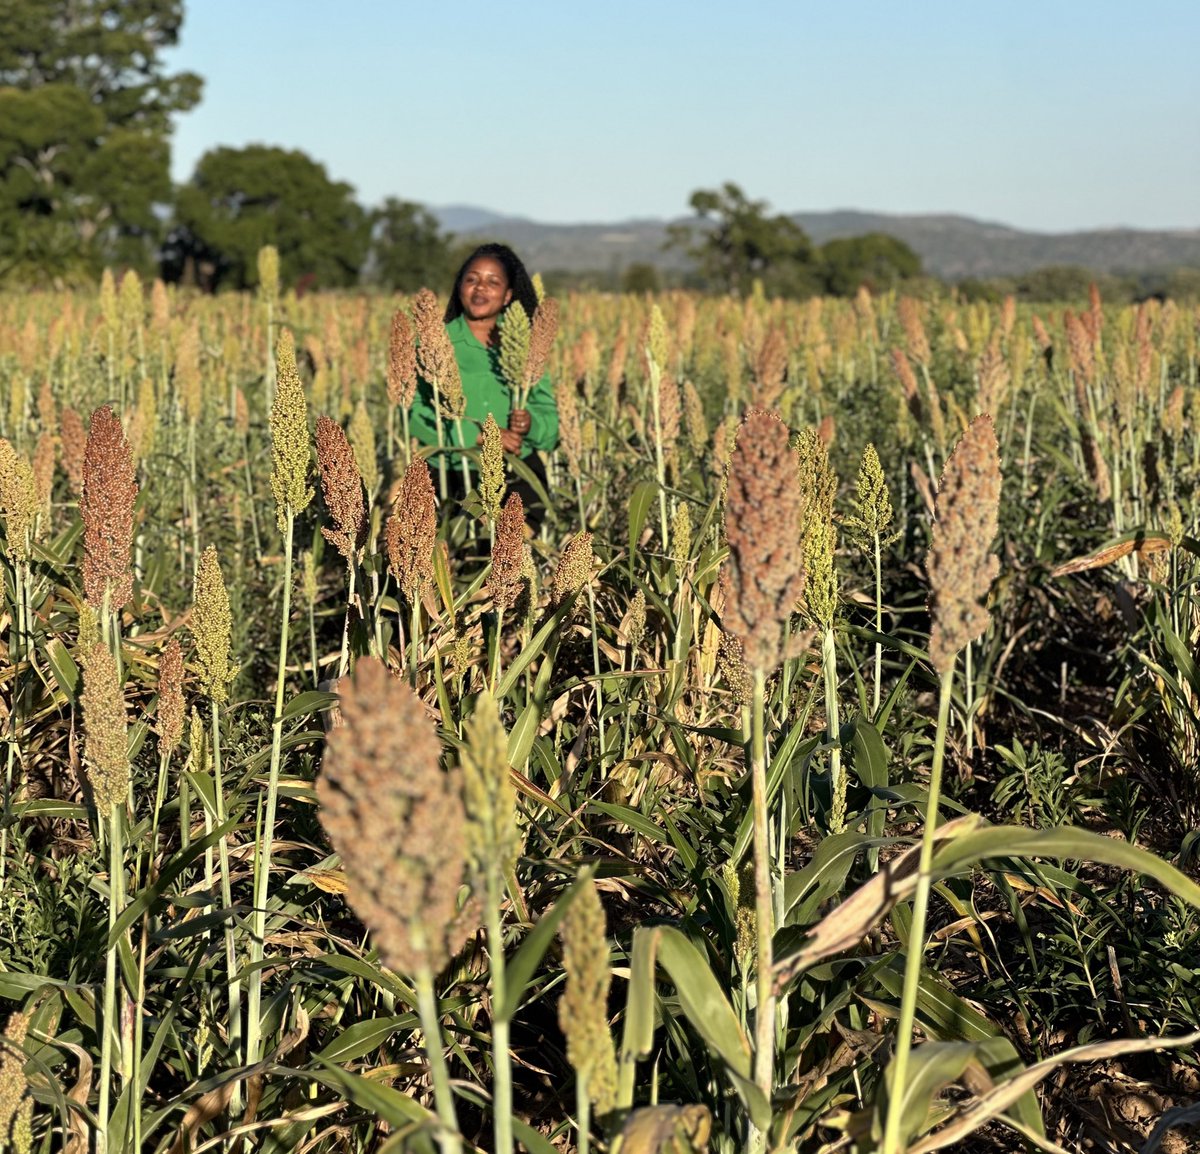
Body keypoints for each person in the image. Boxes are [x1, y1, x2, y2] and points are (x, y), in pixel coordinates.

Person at [408, 243, 558, 524]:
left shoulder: (526, 345)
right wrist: (475, 435)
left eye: (493, 282)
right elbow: (411, 413)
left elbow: (550, 421)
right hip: (453, 473)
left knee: (515, 560)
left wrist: (531, 424)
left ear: (507, 295)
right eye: (472, 279)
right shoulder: (434, 342)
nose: (480, 288)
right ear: (459, 286)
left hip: (517, 474)